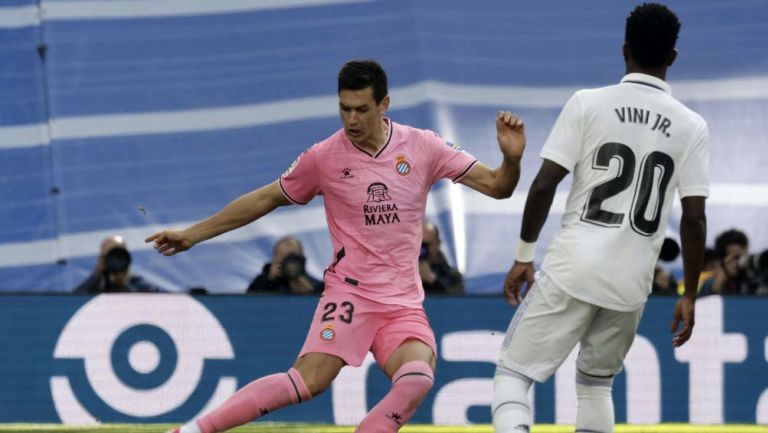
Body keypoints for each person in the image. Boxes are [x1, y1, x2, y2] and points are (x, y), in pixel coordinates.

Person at [147, 59, 527, 433]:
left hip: (402, 303)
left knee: (417, 378)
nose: (352, 120)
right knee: (304, 383)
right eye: (344, 109)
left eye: (362, 109)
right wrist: (194, 233)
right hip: (350, 296)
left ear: (384, 105)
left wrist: (511, 160)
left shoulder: (422, 146)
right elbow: (266, 198)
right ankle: (190, 431)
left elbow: (498, 186)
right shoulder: (324, 157)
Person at [492, 4, 708, 433]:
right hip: (632, 283)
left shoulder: (588, 103)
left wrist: (523, 255)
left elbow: (542, 185)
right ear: (673, 57)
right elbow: (695, 219)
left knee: (513, 376)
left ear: (623, 49)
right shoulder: (692, 125)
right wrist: (691, 293)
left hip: (575, 267)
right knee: (595, 385)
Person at [73, 235, 161, 294]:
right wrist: (97, 274)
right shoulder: (96, 285)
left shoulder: (138, 284)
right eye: (108, 255)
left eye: (117, 254)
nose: (114, 260)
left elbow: (158, 298)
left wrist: (123, 283)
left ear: (126, 256)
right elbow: (72, 301)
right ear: (101, 257)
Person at [247, 236, 323, 294]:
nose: (288, 263)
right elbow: (250, 305)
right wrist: (269, 281)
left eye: (292, 258)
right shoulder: (260, 282)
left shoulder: (319, 286)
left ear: (302, 259)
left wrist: (311, 294)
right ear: (275, 259)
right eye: (283, 258)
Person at [419, 222, 464, 294]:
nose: (423, 250)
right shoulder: (406, 272)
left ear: (438, 243)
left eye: (428, 245)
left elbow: (456, 301)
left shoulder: (453, 275)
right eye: (421, 245)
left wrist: (433, 281)